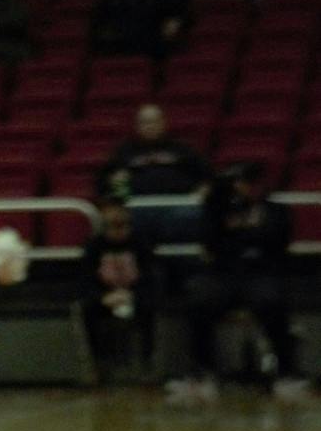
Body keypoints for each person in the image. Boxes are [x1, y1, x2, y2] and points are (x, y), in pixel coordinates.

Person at [173, 161, 307, 404]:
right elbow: (211, 241)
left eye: (252, 183)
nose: (248, 188)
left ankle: (286, 372)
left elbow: (277, 244)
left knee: (272, 302)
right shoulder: (220, 208)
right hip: (224, 274)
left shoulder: (277, 211)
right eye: (243, 182)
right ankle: (203, 371)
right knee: (199, 301)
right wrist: (244, 232)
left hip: (261, 273)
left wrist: (243, 234)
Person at [95, 102, 211, 255]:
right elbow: (103, 183)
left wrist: (203, 190)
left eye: (154, 121)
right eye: (145, 122)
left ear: (163, 123)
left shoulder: (182, 149)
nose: (150, 126)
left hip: (179, 207)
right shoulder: (123, 152)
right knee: (123, 222)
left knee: (191, 217)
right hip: (137, 209)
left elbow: (207, 177)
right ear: (137, 126)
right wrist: (113, 182)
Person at [78, 189, 158, 383]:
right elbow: (85, 279)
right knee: (88, 309)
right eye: (112, 225)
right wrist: (102, 297)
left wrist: (132, 295)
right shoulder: (93, 246)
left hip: (135, 295)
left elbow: (152, 277)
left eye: (121, 225)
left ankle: (147, 363)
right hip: (105, 297)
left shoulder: (141, 243)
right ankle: (98, 365)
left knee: (148, 308)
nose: (117, 230)